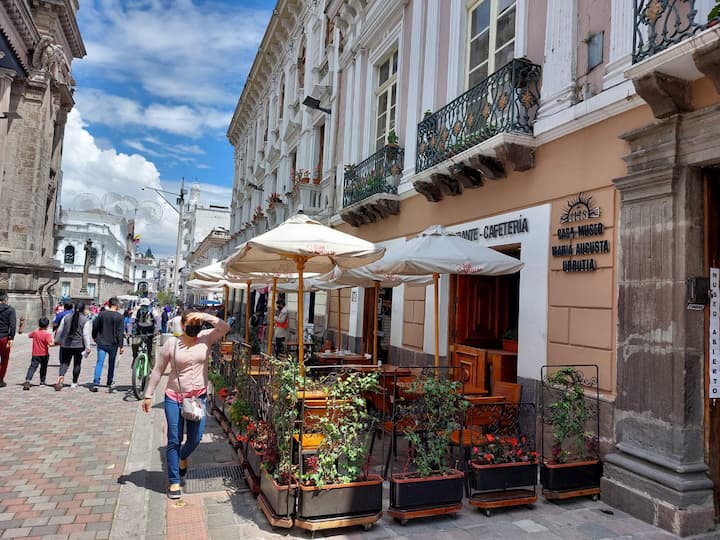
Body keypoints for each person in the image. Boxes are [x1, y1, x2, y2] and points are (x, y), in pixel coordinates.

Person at [142, 310, 231, 499]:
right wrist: (148, 395)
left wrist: (204, 316)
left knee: (195, 438)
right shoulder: (171, 344)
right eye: (191, 323)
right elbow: (158, 371)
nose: (195, 327)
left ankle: (183, 457)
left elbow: (225, 327)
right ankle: (174, 481)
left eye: (198, 324)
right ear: (182, 325)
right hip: (174, 397)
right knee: (174, 439)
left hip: (198, 398)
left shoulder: (206, 338)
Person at [91, 296, 125, 392]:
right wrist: (121, 346)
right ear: (117, 305)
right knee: (111, 363)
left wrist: (94, 336)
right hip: (113, 344)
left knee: (99, 363)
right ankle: (109, 382)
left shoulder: (101, 314)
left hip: (102, 342)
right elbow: (120, 333)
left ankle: (96, 383)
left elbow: (95, 326)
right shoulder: (119, 317)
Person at [54, 303, 89, 390]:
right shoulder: (85, 320)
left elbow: (59, 330)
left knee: (64, 363)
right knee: (77, 364)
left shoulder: (66, 317)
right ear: (83, 309)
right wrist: (88, 346)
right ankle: (74, 382)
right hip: (79, 345)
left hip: (66, 344)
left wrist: (56, 340)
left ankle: (61, 376)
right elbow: (85, 335)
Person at [23, 317, 56, 389]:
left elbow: (29, 336)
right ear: (47, 325)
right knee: (43, 368)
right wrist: (57, 343)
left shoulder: (35, 333)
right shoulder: (47, 334)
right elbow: (50, 344)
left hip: (35, 354)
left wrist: (37, 329)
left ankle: (28, 380)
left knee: (32, 367)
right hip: (44, 354)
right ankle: (42, 381)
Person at [132, 298, 157, 363]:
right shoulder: (137, 311)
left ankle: (152, 370)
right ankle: (135, 358)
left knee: (151, 353)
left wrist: (159, 329)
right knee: (134, 343)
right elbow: (132, 321)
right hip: (140, 333)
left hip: (151, 334)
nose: (144, 307)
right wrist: (129, 332)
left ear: (149, 306)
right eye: (142, 306)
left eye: (145, 306)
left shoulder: (153, 311)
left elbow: (158, 320)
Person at [0, 291, 16, 387]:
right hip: (4, 337)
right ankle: (0, 379)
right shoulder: (10, 310)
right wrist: (11, 337)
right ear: (5, 300)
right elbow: (12, 325)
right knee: (5, 358)